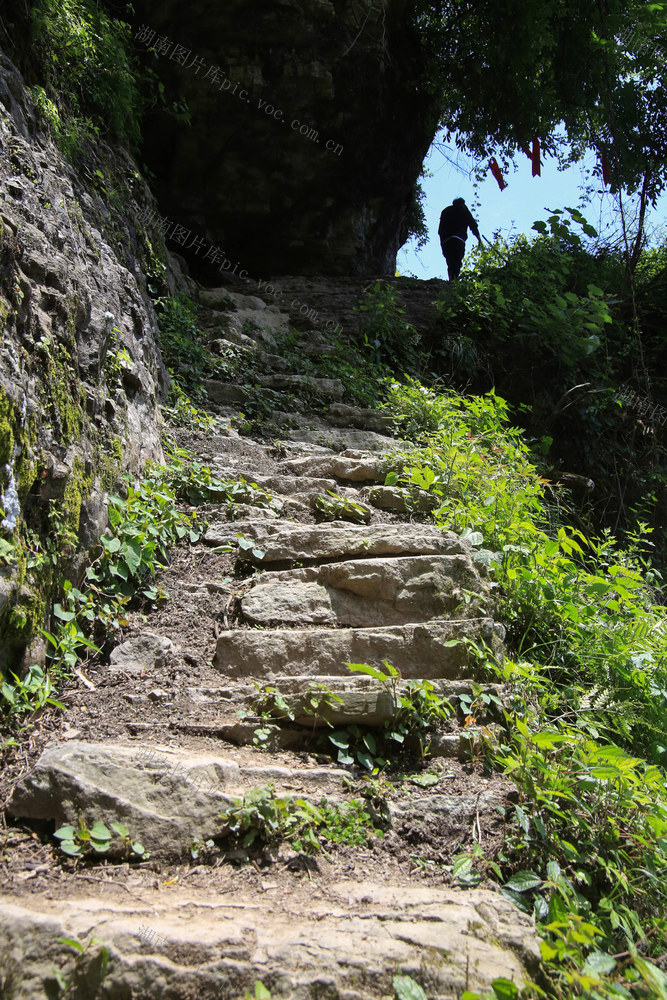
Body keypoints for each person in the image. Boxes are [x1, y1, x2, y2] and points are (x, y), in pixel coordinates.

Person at [438, 198, 482, 279]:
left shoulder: (445, 211)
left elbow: (440, 230)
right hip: (458, 239)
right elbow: (473, 225)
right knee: (457, 260)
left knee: (450, 260)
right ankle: (454, 280)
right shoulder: (464, 210)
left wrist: (442, 242)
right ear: (463, 204)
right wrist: (479, 239)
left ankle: (452, 278)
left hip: (446, 240)